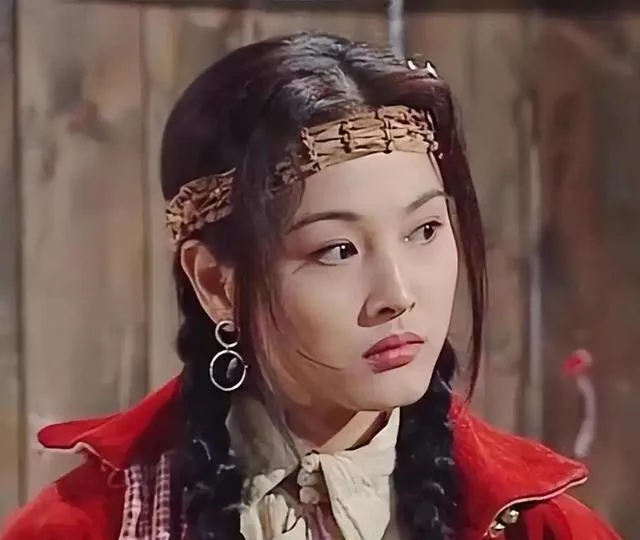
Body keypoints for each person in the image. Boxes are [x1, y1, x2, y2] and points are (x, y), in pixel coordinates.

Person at [1, 32, 621, 540]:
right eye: (337, 250)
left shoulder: (544, 527)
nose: (398, 294)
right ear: (216, 284)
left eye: (426, 230)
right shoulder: (84, 527)